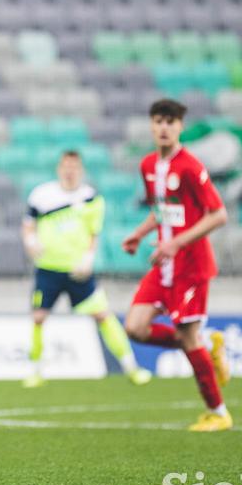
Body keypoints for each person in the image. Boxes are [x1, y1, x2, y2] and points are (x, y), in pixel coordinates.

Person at [122, 99, 232, 432]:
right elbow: (164, 210)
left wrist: (176, 243)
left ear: (180, 127)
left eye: (171, 121)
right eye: (159, 121)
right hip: (164, 264)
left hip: (191, 266)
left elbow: (218, 214)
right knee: (135, 328)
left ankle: (218, 412)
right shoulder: (148, 165)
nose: (164, 127)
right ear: (152, 126)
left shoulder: (190, 166)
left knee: (186, 335)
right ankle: (204, 344)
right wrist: (140, 234)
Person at [21, 150, 152, 388]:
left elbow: (94, 233)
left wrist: (89, 258)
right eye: (65, 166)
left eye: (74, 167)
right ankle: (35, 371)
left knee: (102, 314)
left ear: (80, 170)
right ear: (59, 169)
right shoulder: (42, 195)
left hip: (78, 270)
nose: (69, 171)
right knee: (38, 317)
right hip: (48, 268)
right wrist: (31, 243)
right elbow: (28, 225)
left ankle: (132, 368)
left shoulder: (91, 198)